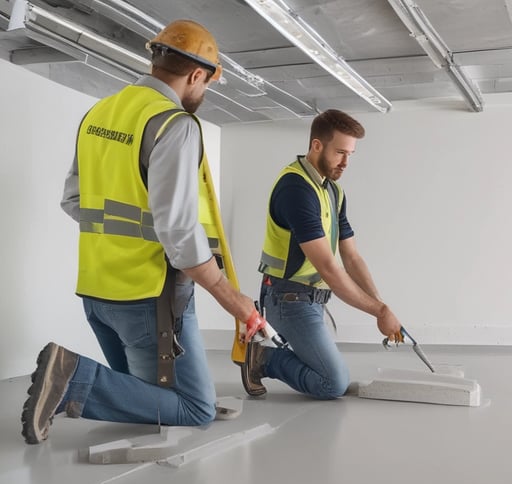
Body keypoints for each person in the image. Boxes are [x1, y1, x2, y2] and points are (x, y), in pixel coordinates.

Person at [21, 20, 265, 445]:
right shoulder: (175, 124)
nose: (203, 94)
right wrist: (237, 303)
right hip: (148, 297)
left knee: (146, 401)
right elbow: (180, 237)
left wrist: (123, 238)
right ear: (195, 75)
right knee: (194, 408)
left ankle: (72, 378)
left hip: (96, 289)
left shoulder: (99, 112)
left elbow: (73, 200)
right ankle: (72, 377)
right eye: (206, 84)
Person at [241, 109, 403, 400]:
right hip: (286, 299)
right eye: (340, 152)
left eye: (351, 154)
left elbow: (351, 257)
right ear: (317, 145)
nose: (346, 162)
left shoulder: (333, 192)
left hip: (312, 299)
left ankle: (275, 352)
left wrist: (382, 305)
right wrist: (378, 312)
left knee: (327, 372)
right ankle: (261, 359)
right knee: (332, 382)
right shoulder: (296, 189)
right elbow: (329, 267)